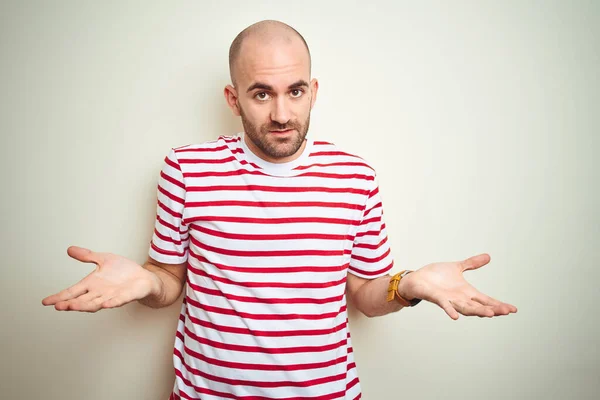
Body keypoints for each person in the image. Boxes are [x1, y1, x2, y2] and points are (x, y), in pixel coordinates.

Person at [42, 20, 517, 400]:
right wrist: (147, 280)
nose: (282, 115)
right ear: (234, 98)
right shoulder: (186, 168)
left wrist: (407, 285)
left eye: (294, 91)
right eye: (261, 93)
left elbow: (368, 296)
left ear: (313, 90)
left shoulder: (355, 177)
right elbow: (168, 279)